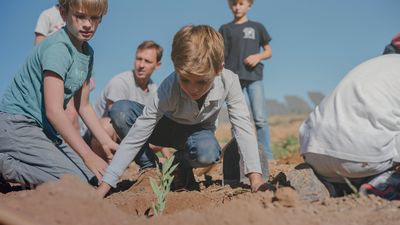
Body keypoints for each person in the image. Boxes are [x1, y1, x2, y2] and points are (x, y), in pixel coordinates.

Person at [96, 25, 265, 197]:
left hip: (198, 132)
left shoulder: (229, 81)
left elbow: (242, 126)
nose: (193, 89)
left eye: (201, 82)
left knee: (208, 153)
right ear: (176, 68)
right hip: (164, 127)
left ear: (219, 69)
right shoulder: (168, 87)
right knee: (121, 111)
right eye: (185, 80)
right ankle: (149, 168)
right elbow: (137, 133)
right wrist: (106, 184)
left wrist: (256, 179)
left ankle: (179, 164)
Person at [0, 0, 117, 187]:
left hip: (44, 131)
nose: (87, 24)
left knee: (93, 180)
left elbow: (83, 105)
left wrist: (105, 141)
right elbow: (54, 111)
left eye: (94, 18)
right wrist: (88, 155)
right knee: (76, 184)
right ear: (63, 13)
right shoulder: (58, 48)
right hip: (17, 124)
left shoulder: (87, 53)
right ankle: (6, 165)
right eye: (79, 16)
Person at [298, 54, 400, 200]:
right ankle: (384, 184)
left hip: (313, 150)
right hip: (362, 156)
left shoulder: (380, 62)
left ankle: (331, 186)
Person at [88, 40, 169, 161]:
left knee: (159, 134)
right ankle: (101, 165)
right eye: (138, 59)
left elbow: (156, 127)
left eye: (147, 61)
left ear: (158, 65)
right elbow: (117, 121)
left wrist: (167, 156)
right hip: (97, 138)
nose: (141, 65)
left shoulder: (155, 90)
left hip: (129, 138)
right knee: (107, 127)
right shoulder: (120, 82)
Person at [219, 0, 272, 181]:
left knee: (260, 119)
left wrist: (258, 56)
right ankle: (239, 157)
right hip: (233, 80)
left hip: (254, 77)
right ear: (230, 6)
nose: (237, 7)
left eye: (241, 3)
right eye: (234, 4)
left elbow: (268, 51)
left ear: (249, 5)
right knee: (237, 120)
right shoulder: (225, 29)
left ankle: (268, 157)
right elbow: (221, 55)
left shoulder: (257, 27)